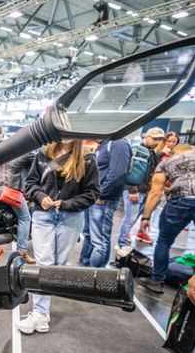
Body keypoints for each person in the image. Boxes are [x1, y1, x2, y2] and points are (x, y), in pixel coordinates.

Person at [16, 140, 100, 334]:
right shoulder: (43, 154)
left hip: (70, 218)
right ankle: (40, 314)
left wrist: (67, 204)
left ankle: (41, 313)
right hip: (43, 216)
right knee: (44, 263)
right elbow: (30, 183)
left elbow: (92, 192)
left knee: (57, 265)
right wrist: (40, 196)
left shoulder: (87, 159)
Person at [137, 144, 195, 293]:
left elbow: (155, 193)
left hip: (179, 202)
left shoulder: (166, 163)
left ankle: (156, 280)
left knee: (164, 241)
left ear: (174, 152)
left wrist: (145, 218)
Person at [80, 138, 131, 268]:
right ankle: (85, 267)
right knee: (89, 235)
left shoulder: (118, 143)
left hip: (103, 200)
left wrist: (102, 194)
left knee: (100, 240)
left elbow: (118, 173)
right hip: (93, 198)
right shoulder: (103, 144)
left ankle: (95, 275)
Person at [115, 127, 165, 252]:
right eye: (154, 139)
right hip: (136, 191)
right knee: (130, 218)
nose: (157, 142)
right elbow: (133, 171)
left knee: (133, 218)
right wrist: (133, 190)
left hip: (144, 191)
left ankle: (123, 241)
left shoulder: (151, 151)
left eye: (159, 139)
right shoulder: (140, 149)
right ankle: (122, 243)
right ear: (146, 137)